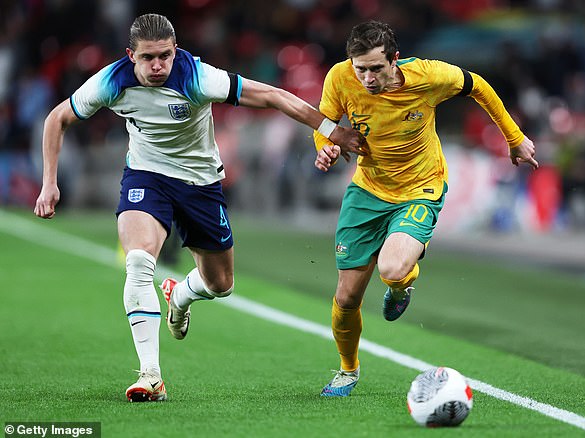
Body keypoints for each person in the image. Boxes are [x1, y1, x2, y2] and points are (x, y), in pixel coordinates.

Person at [33, 13, 366, 403]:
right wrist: (49, 182)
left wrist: (333, 131)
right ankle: (150, 375)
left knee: (221, 285)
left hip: (201, 184)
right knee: (139, 261)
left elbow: (274, 96)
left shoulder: (198, 77)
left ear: (176, 52)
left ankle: (181, 295)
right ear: (131, 56)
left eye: (165, 56)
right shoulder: (111, 81)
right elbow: (58, 118)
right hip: (146, 176)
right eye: (148, 58)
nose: (158, 66)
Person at [313, 21, 539, 397]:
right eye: (360, 69)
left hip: (421, 187)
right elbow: (323, 122)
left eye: (375, 68)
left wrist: (514, 139)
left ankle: (403, 283)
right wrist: (324, 146)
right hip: (367, 191)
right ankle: (347, 370)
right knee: (347, 298)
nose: (367, 78)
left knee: (392, 268)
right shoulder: (339, 77)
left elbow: (478, 86)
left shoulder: (430, 75)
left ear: (395, 60)